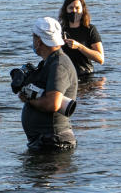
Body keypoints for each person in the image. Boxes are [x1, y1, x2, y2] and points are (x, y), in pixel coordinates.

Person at [20, 17, 78, 152]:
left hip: (53, 142)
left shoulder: (59, 64)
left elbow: (53, 103)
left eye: (34, 37)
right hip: (46, 141)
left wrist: (29, 99)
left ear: (39, 40)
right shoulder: (50, 62)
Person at [58, 0, 104, 79]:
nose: (74, 11)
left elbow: (100, 59)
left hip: (85, 74)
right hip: (65, 75)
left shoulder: (90, 29)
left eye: (77, 8)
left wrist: (79, 46)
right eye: (71, 8)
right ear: (65, 10)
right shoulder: (59, 29)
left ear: (83, 10)